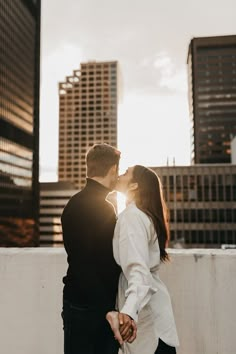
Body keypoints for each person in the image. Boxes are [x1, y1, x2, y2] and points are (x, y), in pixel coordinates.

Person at [61, 143, 136, 354]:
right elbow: (106, 261)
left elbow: (80, 260)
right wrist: (108, 310)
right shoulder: (105, 207)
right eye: (117, 171)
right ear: (112, 169)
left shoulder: (72, 204)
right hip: (97, 307)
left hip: (75, 302)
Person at [106, 165, 179, 354]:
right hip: (156, 318)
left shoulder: (132, 217)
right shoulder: (141, 215)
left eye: (125, 173)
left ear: (134, 186)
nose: (119, 174)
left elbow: (138, 271)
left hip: (149, 326)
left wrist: (128, 313)